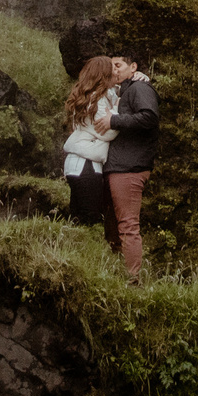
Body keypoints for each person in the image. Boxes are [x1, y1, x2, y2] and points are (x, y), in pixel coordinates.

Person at [102, 53, 159, 281]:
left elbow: (149, 117)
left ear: (133, 66)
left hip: (129, 167)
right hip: (120, 166)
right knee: (115, 226)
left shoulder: (139, 88)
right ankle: (120, 275)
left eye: (118, 65)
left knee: (127, 226)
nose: (114, 70)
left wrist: (113, 121)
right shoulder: (124, 91)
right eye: (111, 67)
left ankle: (133, 280)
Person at [61, 55, 120, 251]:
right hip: (87, 165)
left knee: (78, 217)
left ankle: (72, 255)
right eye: (112, 69)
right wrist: (117, 114)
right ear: (103, 75)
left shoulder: (88, 96)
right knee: (91, 218)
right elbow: (108, 131)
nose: (116, 72)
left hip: (76, 164)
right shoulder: (97, 99)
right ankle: (87, 257)